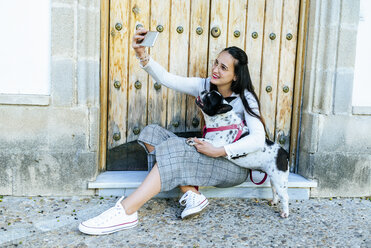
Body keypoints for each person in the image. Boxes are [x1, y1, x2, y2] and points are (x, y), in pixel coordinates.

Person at [78, 28, 266, 235]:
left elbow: (258, 140)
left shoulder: (246, 98)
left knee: (176, 147)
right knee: (151, 133)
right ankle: (191, 193)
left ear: (236, 76)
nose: (216, 69)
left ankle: (126, 211)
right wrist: (143, 56)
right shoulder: (205, 86)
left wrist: (218, 150)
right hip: (208, 155)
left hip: (233, 166)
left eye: (223, 67)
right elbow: (167, 78)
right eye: (215, 63)